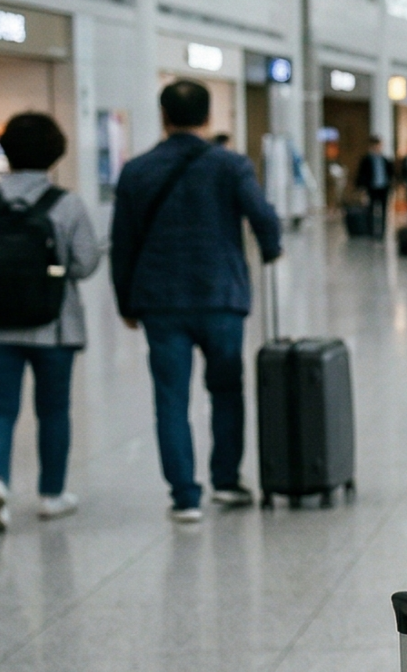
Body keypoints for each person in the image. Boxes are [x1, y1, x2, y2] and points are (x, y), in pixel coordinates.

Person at [112, 80, 283, 522]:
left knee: (170, 397)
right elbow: (263, 216)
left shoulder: (138, 170)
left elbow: (123, 243)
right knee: (226, 389)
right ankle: (226, 480)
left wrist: (126, 303)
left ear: (164, 115)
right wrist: (271, 247)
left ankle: (185, 497)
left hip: (160, 301)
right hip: (220, 295)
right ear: (208, 117)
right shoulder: (230, 164)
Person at [0, 113, 99, 531]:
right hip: (54, 325)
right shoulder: (66, 204)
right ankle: (51, 494)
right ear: (55, 155)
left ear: (7, 150)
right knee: (53, 409)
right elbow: (85, 264)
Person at [352, 143, 391, 236]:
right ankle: (371, 229)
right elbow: (362, 174)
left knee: (383, 209)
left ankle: (382, 230)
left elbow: (390, 172)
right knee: (371, 209)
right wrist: (361, 187)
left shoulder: (385, 160)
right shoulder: (367, 160)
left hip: (383, 188)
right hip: (372, 188)